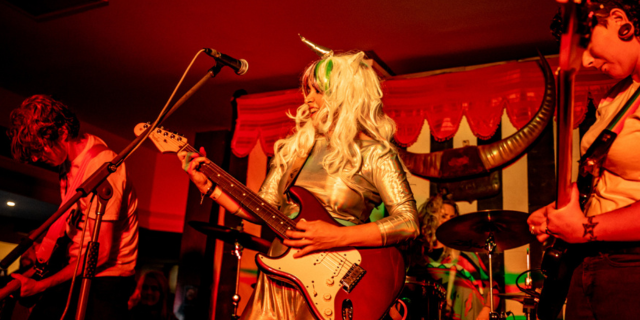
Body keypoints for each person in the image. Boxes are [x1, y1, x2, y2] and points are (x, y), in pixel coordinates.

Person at [179, 49, 420, 320]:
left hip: (331, 282)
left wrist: (336, 235)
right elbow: (263, 209)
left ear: (345, 93)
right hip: (280, 274)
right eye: (308, 90)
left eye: (319, 91)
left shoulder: (375, 153)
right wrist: (210, 188)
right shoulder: (297, 149)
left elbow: (408, 222)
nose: (308, 98)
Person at [528, 1, 640, 319]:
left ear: (620, 21)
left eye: (587, 46)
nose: (587, 61)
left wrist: (586, 228)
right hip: (589, 262)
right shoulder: (619, 94)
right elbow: (606, 177)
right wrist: (561, 214)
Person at [7, 94, 138, 319]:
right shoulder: (67, 164)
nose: (37, 159)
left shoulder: (101, 165)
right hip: (75, 266)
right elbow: (74, 227)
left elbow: (103, 252)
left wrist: (41, 286)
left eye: (41, 148)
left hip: (106, 279)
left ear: (63, 132)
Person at [395, 193, 496, 320]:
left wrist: (485, 313)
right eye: (443, 216)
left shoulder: (464, 254)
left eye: (452, 217)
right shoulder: (415, 253)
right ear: (429, 218)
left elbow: (493, 290)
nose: (448, 221)